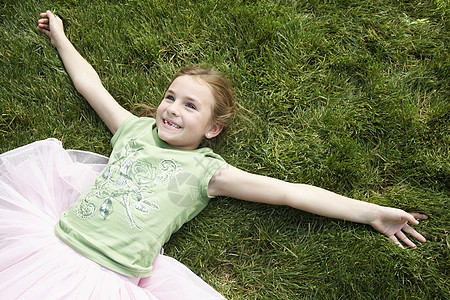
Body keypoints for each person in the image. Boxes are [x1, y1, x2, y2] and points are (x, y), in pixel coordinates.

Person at [0, 10, 428, 299]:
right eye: (171, 96)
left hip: (111, 277)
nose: (171, 108)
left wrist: (370, 211)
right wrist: (60, 37)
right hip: (54, 243)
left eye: (190, 106)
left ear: (213, 128)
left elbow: (290, 192)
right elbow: (89, 86)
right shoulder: (132, 129)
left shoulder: (209, 172)